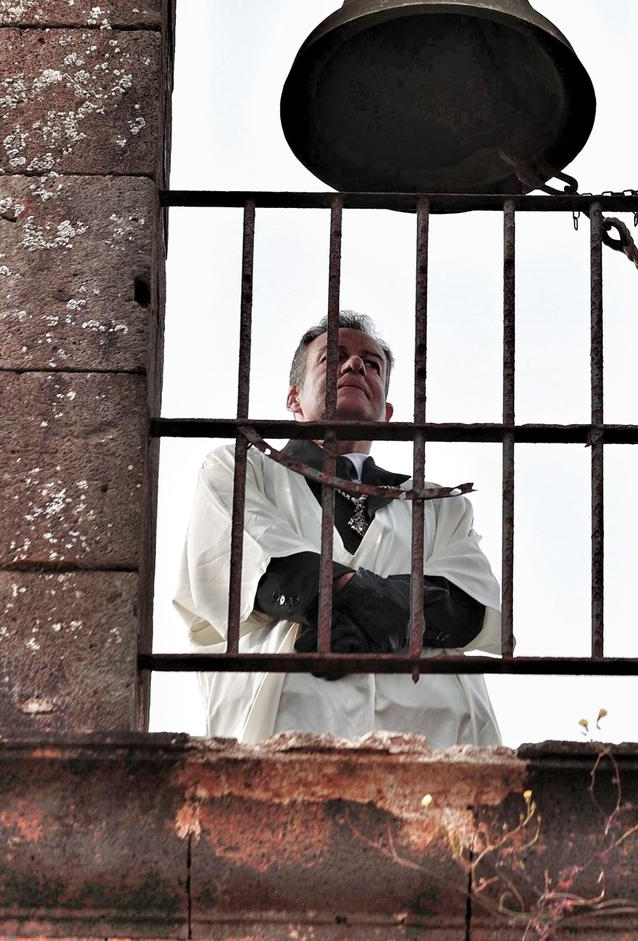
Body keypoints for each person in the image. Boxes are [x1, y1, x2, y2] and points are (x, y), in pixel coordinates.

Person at [172, 310, 502, 746]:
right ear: (294, 397)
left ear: (386, 411)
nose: (354, 366)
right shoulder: (240, 469)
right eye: (334, 357)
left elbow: (467, 604)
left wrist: (358, 604)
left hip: (436, 734)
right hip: (283, 730)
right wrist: (379, 604)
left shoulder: (440, 504)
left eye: (372, 364)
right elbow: (250, 565)